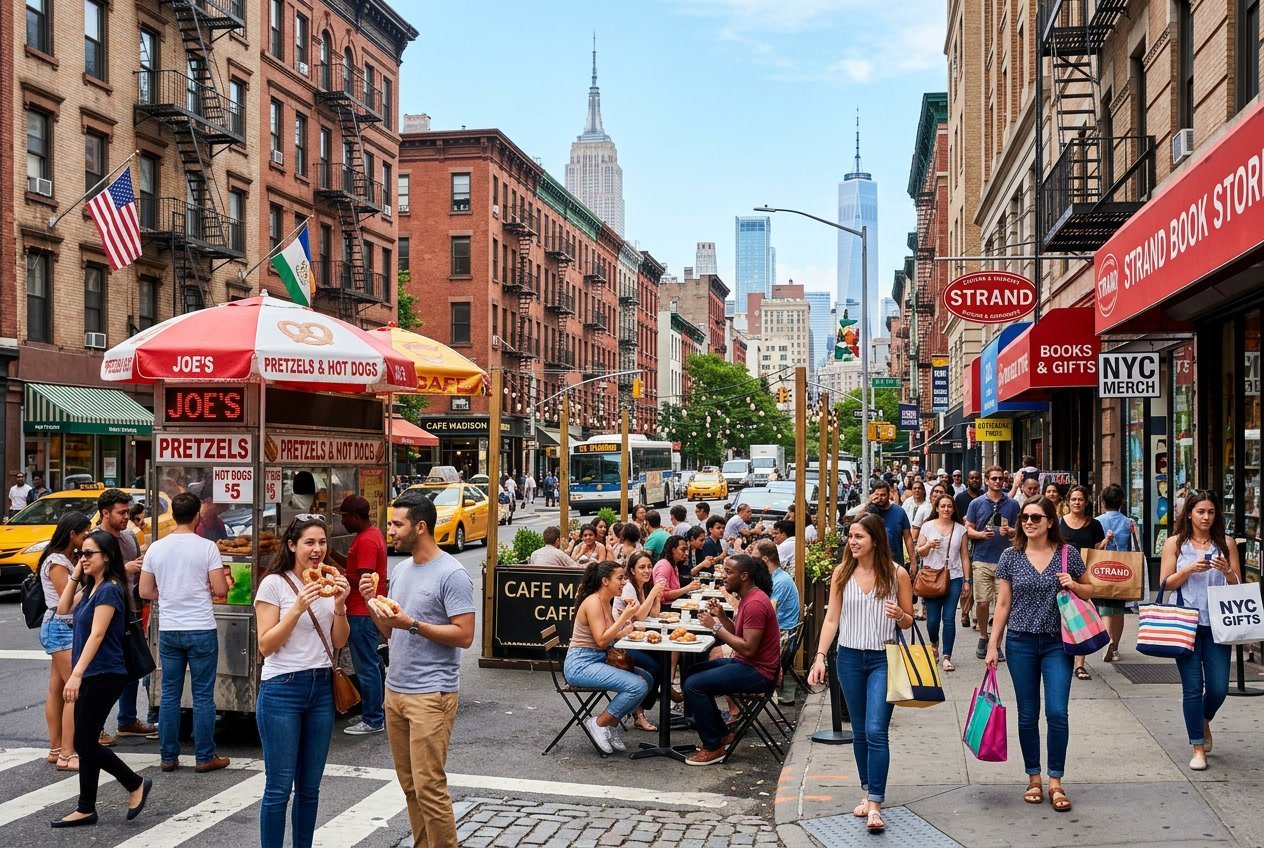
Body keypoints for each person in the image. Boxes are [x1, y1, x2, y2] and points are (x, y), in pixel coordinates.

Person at [362, 490, 476, 846]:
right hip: (395, 689)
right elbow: (388, 632)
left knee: (429, 786)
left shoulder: (452, 574)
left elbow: (465, 635)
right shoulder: (401, 571)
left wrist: (412, 624)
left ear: (421, 527)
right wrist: (371, 602)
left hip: (432, 693)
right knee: (410, 784)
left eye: (397, 524)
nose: (390, 531)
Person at [807, 513, 914, 834]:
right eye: (850, 536)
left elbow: (909, 620)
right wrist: (820, 656)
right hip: (849, 659)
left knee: (876, 729)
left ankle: (876, 804)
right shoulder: (842, 572)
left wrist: (900, 615)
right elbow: (831, 620)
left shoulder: (897, 574)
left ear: (876, 541)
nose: (852, 542)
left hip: (885, 658)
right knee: (861, 731)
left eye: (859, 537)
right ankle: (867, 791)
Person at [986, 496, 1093, 813]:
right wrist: (993, 644)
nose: (1028, 522)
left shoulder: (1066, 554)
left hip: (1058, 644)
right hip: (1019, 642)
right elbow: (1002, 604)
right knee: (1027, 713)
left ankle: (1055, 780)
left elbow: (1090, 590)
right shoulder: (1011, 556)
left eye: (1035, 517)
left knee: (1058, 712)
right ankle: (1034, 777)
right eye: (1024, 517)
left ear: (1050, 521)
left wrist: (1073, 583)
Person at [254, 516, 350, 848]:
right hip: (282, 688)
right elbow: (266, 645)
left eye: (322, 542)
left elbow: (338, 642)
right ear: (292, 545)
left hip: (321, 687)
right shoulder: (274, 585)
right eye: (309, 542)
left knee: (310, 788)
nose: (317, 550)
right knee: (279, 787)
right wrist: (296, 608)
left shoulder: (329, 583)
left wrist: (339, 606)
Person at [50, 530, 153, 828]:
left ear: (106, 557)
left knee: (84, 741)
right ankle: (86, 807)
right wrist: (75, 575)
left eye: (89, 554)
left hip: (104, 673)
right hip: (92, 673)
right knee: (85, 740)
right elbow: (63, 608)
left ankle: (133, 783)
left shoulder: (109, 589)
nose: (83, 558)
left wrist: (76, 675)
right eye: (80, 553)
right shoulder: (92, 587)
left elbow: (97, 634)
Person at [139, 491, 230, 772]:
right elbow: (221, 589)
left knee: (169, 694)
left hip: (170, 628)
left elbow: (144, 591)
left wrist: (166, 596)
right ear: (196, 516)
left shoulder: (156, 548)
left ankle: (168, 756)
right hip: (201, 627)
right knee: (202, 694)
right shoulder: (206, 548)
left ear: (174, 515)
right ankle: (204, 756)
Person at [1158, 489, 1240, 772]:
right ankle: (1197, 746)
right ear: (1189, 513)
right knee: (1192, 688)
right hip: (1186, 623)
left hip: (1218, 624)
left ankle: (1203, 719)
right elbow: (1165, 584)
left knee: (1218, 688)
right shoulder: (1175, 544)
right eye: (1200, 511)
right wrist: (1189, 570)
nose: (1206, 517)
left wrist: (1228, 572)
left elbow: (1238, 588)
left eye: (1211, 512)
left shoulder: (1226, 542)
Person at [685, 553, 782, 766]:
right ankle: (722, 734)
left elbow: (748, 648)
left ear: (744, 576)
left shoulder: (755, 603)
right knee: (693, 672)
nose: (723, 576)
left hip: (759, 672)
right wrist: (721, 616)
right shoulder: (748, 598)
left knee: (694, 685)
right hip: (749, 665)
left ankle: (713, 747)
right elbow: (739, 635)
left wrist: (715, 627)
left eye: (728, 572)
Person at [565, 559, 661, 753]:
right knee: (637, 685)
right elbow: (601, 641)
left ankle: (611, 724)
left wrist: (625, 630)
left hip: (598, 659)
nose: (624, 582)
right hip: (581, 664)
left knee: (648, 679)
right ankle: (599, 723)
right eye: (620, 578)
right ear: (605, 581)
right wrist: (625, 616)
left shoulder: (605, 602)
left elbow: (608, 636)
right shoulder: (593, 602)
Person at [326, 495, 389, 735]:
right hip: (365, 610)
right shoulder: (371, 535)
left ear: (354, 516)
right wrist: (333, 558)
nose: (343, 522)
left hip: (361, 611)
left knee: (366, 666)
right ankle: (375, 711)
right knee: (372, 662)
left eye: (344, 517)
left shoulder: (366, 540)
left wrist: (338, 575)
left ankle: (373, 718)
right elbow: (355, 568)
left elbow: (362, 577)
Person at [96, 488, 154, 742]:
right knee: (105, 670)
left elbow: (136, 571)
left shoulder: (129, 536)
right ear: (104, 513)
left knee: (132, 664)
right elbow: (92, 576)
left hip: (130, 608)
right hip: (105, 611)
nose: (125, 517)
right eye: (120, 513)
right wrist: (124, 568)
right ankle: (94, 725)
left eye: (127, 512)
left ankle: (127, 719)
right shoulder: (95, 541)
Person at [38, 511, 92, 772]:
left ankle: (56, 748)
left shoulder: (64, 558)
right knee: (74, 691)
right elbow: (65, 601)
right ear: (72, 534)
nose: (87, 539)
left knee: (58, 687)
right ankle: (67, 754)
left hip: (59, 626)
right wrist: (90, 583)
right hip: (62, 626)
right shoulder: (58, 561)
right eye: (85, 534)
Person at [966, 466, 1020, 661]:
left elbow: (1021, 530)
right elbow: (968, 530)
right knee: (982, 602)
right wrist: (980, 535)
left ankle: (996, 644)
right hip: (981, 558)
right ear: (986, 481)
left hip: (1005, 560)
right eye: (994, 478)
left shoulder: (1012, 504)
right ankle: (983, 635)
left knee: (1002, 604)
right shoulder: (976, 503)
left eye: (1000, 479)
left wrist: (1011, 532)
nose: (998, 482)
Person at [913, 494, 970, 671]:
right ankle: (934, 642)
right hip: (931, 576)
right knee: (932, 620)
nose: (946, 509)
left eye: (949, 506)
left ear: (953, 509)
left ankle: (947, 656)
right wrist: (928, 545)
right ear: (936, 508)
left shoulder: (961, 529)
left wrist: (967, 581)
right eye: (943, 506)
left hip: (954, 576)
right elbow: (919, 552)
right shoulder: (927, 526)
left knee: (949, 617)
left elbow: (964, 556)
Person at [1058, 485, 1109, 681]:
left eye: (1080, 499)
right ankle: (1063, 654)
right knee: (1065, 617)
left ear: (1086, 502)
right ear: (1068, 502)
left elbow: (1097, 552)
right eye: (1074, 499)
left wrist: (1105, 543)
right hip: (1062, 576)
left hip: (1084, 576)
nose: (1077, 502)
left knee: (1081, 617)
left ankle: (1079, 664)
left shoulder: (1094, 525)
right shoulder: (1059, 523)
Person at [614, 550, 666, 732]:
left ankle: (661, 698)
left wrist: (656, 596)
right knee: (654, 667)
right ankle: (639, 713)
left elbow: (654, 614)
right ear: (632, 570)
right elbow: (640, 616)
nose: (647, 570)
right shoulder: (628, 587)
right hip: (620, 644)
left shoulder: (643, 586)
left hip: (634, 639)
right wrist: (652, 594)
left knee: (662, 659)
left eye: (649, 566)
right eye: (642, 567)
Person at [754, 539, 801, 704]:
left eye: (755, 559)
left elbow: (768, 612)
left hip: (781, 638)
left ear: (764, 559)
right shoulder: (778, 577)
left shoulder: (779, 581)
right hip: (783, 634)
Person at [1095, 484, 1136, 662]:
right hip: (1123, 569)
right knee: (1118, 609)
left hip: (1102, 568)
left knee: (1105, 608)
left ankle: (1107, 641)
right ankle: (1116, 646)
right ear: (1121, 502)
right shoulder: (1129, 522)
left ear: (1103, 502)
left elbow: (1094, 546)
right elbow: (1134, 546)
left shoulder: (1097, 521)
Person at [866, 480, 913, 571]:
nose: (880, 498)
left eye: (883, 495)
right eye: (877, 495)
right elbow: (856, 523)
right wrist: (869, 503)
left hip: (895, 563)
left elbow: (908, 538)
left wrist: (913, 562)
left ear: (889, 494)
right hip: (873, 564)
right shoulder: (869, 512)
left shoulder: (899, 512)